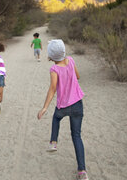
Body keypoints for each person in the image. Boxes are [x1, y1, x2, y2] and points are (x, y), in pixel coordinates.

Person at [37, 39, 88, 180]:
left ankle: (53, 142)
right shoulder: (71, 60)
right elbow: (77, 76)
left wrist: (45, 107)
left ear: (51, 56)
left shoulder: (54, 69)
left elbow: (53, 88)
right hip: (77, 104)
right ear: (64, 51)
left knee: (56, 118)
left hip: (63, 106)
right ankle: (82, 171)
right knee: (76, 136)